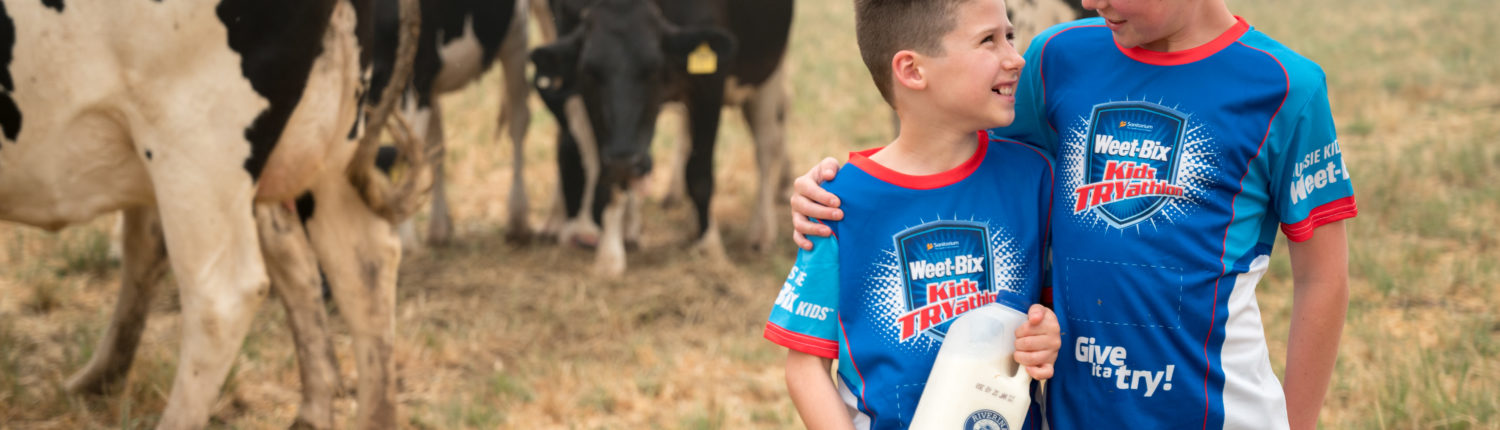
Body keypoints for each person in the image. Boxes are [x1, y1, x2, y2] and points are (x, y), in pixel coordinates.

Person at [788, 0, 1356, 429]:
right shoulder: (1059, 58)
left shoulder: (1285, 86)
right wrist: (838, 191)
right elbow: (946, 151)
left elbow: (1323, 278)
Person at [762, 0, 1062, 429]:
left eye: (1010, 36)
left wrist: (1049, 335)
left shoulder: (1036, 178)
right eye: (988, 41)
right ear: (913, 70)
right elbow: (805, 366)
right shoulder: (837, 202)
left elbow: (1058, 312)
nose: (1015, 59)